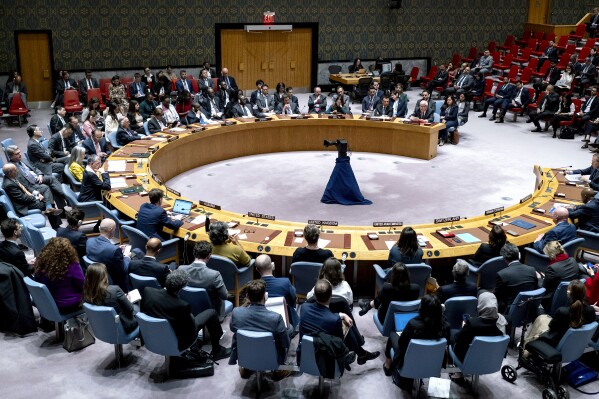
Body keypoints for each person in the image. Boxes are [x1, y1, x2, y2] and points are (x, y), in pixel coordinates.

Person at [142, 269, 231, 360]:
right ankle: (217, 351)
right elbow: (191, 329)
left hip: (153, 336)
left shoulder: (148, 291)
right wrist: (191, 315)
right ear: (182, 287)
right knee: (212, 313)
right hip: (179, 340)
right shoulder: (181, 305)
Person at [300, 279, 379, 367]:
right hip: (326, 359)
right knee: (347, 325)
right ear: (330, 296)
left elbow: (322, 316)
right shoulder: (334, 320)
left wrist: (341, 315)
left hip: (305, 353)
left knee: (345, 323)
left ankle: (362, 354)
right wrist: (342, 317)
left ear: (314, 295)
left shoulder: (303, 308)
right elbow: (340, 346)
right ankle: (361, 354)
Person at [229, 279, 291, 380]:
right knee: (288, 330)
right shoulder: (276, 318)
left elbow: (232, 328)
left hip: (245, 354)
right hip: (270, 357)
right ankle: (278, 370)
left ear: (247, 296)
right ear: (265, 296)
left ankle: (245, 368)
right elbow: (285, 343)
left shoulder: (236, 312)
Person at [383, 295, 449, 380]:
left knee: (392, 334)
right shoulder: (445, 325)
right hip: (433, 362)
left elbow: (401, 343)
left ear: (422, 308)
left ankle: (387, 366)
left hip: (409, 359)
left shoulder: (413, 324)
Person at [525, 280, 596, 350]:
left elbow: (551, 327)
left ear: (568, 293)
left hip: (555, 342)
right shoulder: (590, 310)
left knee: (540, 315)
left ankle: (525, 349)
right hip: (576, 343)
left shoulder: (562, 311)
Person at [1, 163, 62, 229]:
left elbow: (26, 187)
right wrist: (36, 197)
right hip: (24, 205)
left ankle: (49, 209)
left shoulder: (12, 177)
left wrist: (37, 193)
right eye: (15, 170)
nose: (17, 171)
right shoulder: (9, 185)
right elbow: (23, 199)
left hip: (27, 198)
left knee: (45, 189)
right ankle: (56, 226)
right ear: (10, 173)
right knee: (47, 201)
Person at [451, 291, 507, 362]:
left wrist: (464, 328)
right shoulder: (505, 321)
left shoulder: (472, 324)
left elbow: (458, 338)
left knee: (453, 333)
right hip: (493, 359)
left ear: (481, 304)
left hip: (471, 359)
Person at [5, 144, 65, 209]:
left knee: (52, 179)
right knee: (49, 188)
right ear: (10, 157)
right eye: (17, 154)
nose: (20, 155)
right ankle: (63, 201)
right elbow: (24, 186)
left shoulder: (23, 160)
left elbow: (34, 168)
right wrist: (35, 193)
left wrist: (40, 175)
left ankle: (65, 195)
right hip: (32, 185)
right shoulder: (12, 169)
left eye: (19, 152)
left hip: (37, 178)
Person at [83, 263, 138, 334]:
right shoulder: (114, 290)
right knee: (137, 307)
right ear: (104, 276)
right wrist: (128, 299)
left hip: (101, 327)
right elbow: (130, 309)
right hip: (122, 327)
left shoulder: (86, 292)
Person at [34, 237, 84, 314]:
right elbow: (82, 285)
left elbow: (38, 281)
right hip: (71, 305)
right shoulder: (72, 266)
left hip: (50, 303)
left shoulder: (41, 265)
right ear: (68, 251)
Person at [178, 241, 228, 315]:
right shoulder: (214, 275)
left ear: (194, 253)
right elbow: (225, 296)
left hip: (188, 309)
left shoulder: (181, 269)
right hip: (211, 312)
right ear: (209, 255)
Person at [255, 254, 298, 331]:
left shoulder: (253, 286)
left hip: (260, 322)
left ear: (257, 269)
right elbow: (293, 299)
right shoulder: (285, 282)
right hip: (283, 322)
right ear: (272, 265)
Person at [86, 219, 131, 292]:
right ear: (111, 230)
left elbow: (103, 250)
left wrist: (117, 249)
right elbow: (124, 270)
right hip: (113, 280)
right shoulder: (113, 250)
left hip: (96, 277)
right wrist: (126, 256)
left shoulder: (89, 241)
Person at [495, 243, 539, 313]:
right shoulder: (532, 270)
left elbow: (496, 296)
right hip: (530, 308)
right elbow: (536, 289)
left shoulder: (502, 274)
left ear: (504, 258)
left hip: (510, 311)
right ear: (519, 255)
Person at [541, 241, 582, 309]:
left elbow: (545, 288)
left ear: (551, 254)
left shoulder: (552, 268)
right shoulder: (573, 260)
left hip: (552, 300)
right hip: (571, 297)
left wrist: (542, 278)